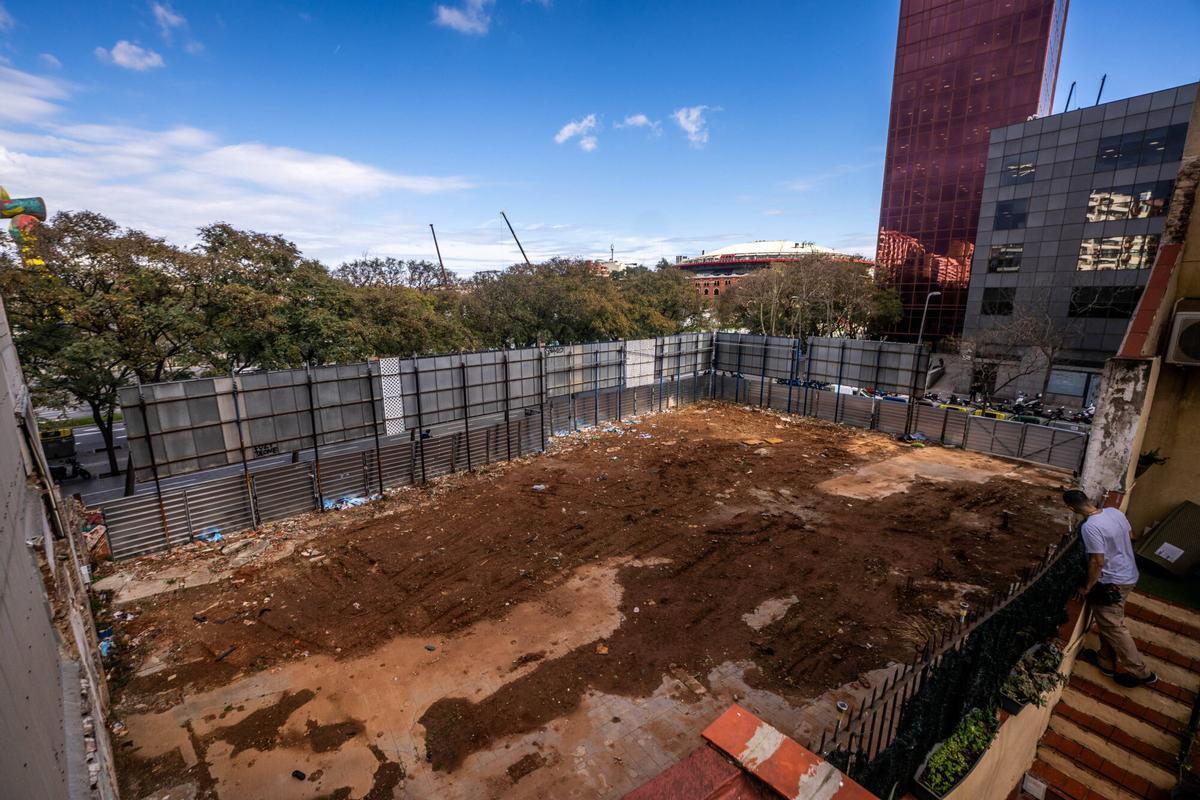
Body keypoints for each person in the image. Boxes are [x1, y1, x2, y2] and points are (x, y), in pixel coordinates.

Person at [1062, 490, 1157, 687]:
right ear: (1088, 500)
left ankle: (1141, 673)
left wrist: (1087, 587)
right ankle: (1105, 660)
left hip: (1114, 581)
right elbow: (1130, 535)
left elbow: (1097, 561)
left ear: (1071, 508)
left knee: (1114, 626)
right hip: (1129, 573)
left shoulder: (1090, 527)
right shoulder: (1114, 512)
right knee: (1108, 622)